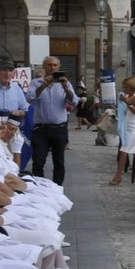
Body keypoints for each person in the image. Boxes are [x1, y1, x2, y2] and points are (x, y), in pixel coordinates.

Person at [28, 56, 77, 185]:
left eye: (55, 65)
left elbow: (75, 101)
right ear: (44, 67)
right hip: (41, 129)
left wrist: (66, 87)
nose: (52, 67)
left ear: (59, 67)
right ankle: (41, 188)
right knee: (38, 161)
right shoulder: (35, 82)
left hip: (59, 129)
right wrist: (44, 84)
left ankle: (57, 189)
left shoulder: (65, 83)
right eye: (49, 65)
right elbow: (30, 98)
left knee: (59, 162)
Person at [108, 77, 135, 186]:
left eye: (126, 86)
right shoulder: (126, 96)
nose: (124, 88)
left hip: (134, 127)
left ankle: (118, 175)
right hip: (126, 126)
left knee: (124, 150)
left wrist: (126, 102)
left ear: (131, 87)